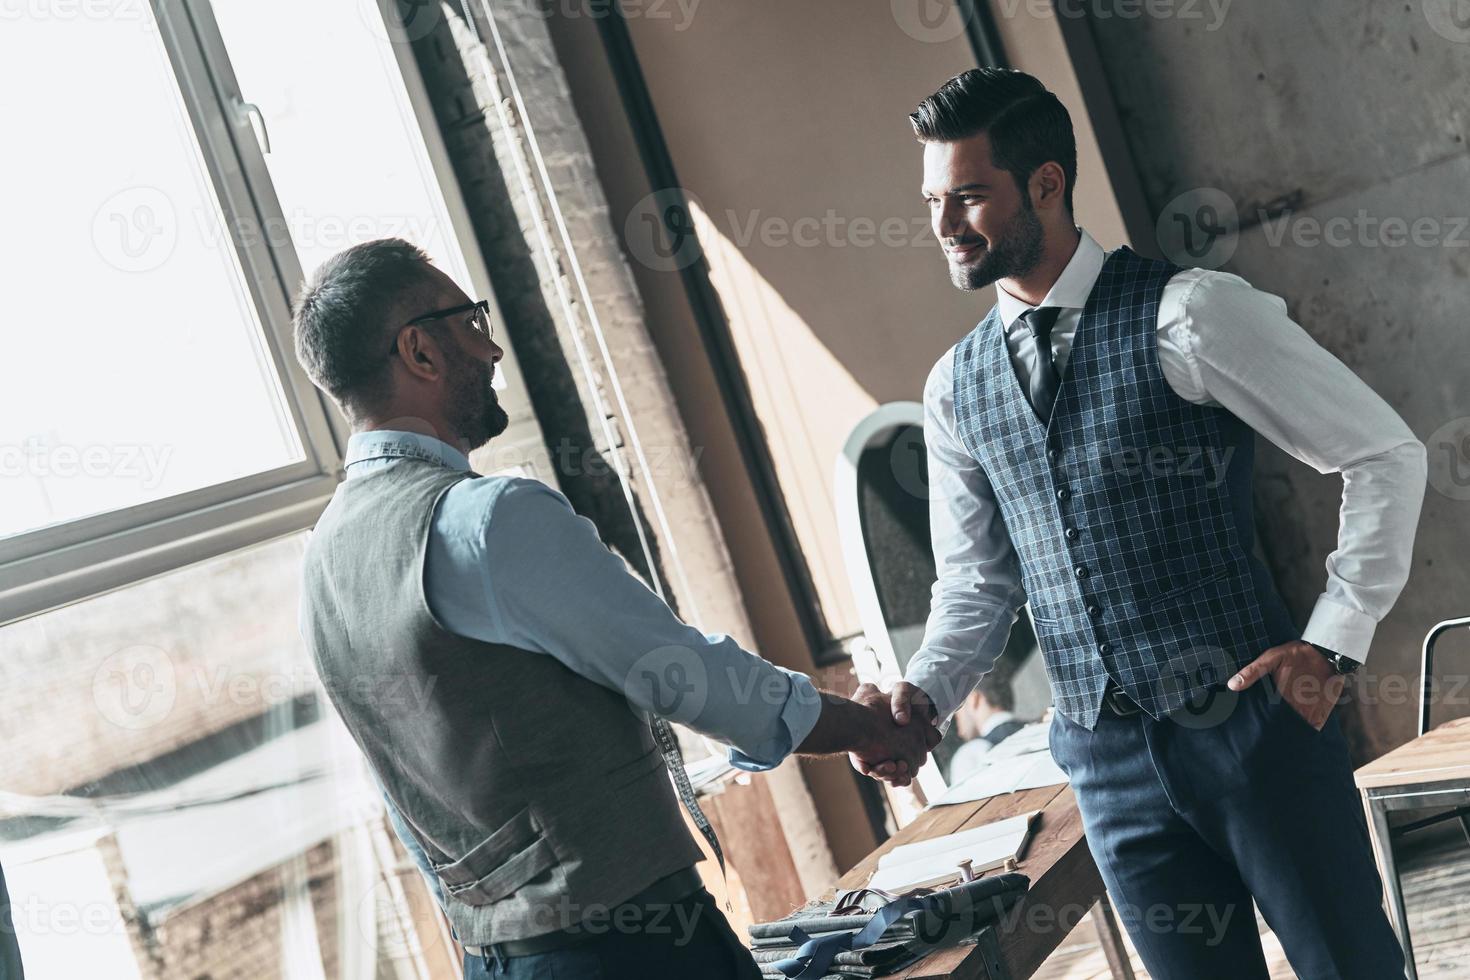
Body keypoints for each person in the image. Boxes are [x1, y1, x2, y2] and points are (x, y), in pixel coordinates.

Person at [855, 68, 1426, 978]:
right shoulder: (954, 387)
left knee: (1350, 968)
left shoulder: (1191, 313)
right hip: (1103, 758)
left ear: (1047, 183)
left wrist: (1334, 645)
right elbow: (979, 580)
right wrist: (922, 694)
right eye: (933, 200)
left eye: (968, 196)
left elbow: (1384, 453)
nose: (943, 226)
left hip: (1252, 727)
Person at [291, 240, 940, 980]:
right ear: (419, 351)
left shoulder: (319, 565)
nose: (494, 346)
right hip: (631, 953)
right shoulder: (486, 521)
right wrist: (862, 726)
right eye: (470, 322)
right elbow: (687, 675)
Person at [946, 673, 1024, 783]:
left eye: (956, 708)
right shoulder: (1043, 729)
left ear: (974, 699)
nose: (955, 717)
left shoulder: (971, 754)